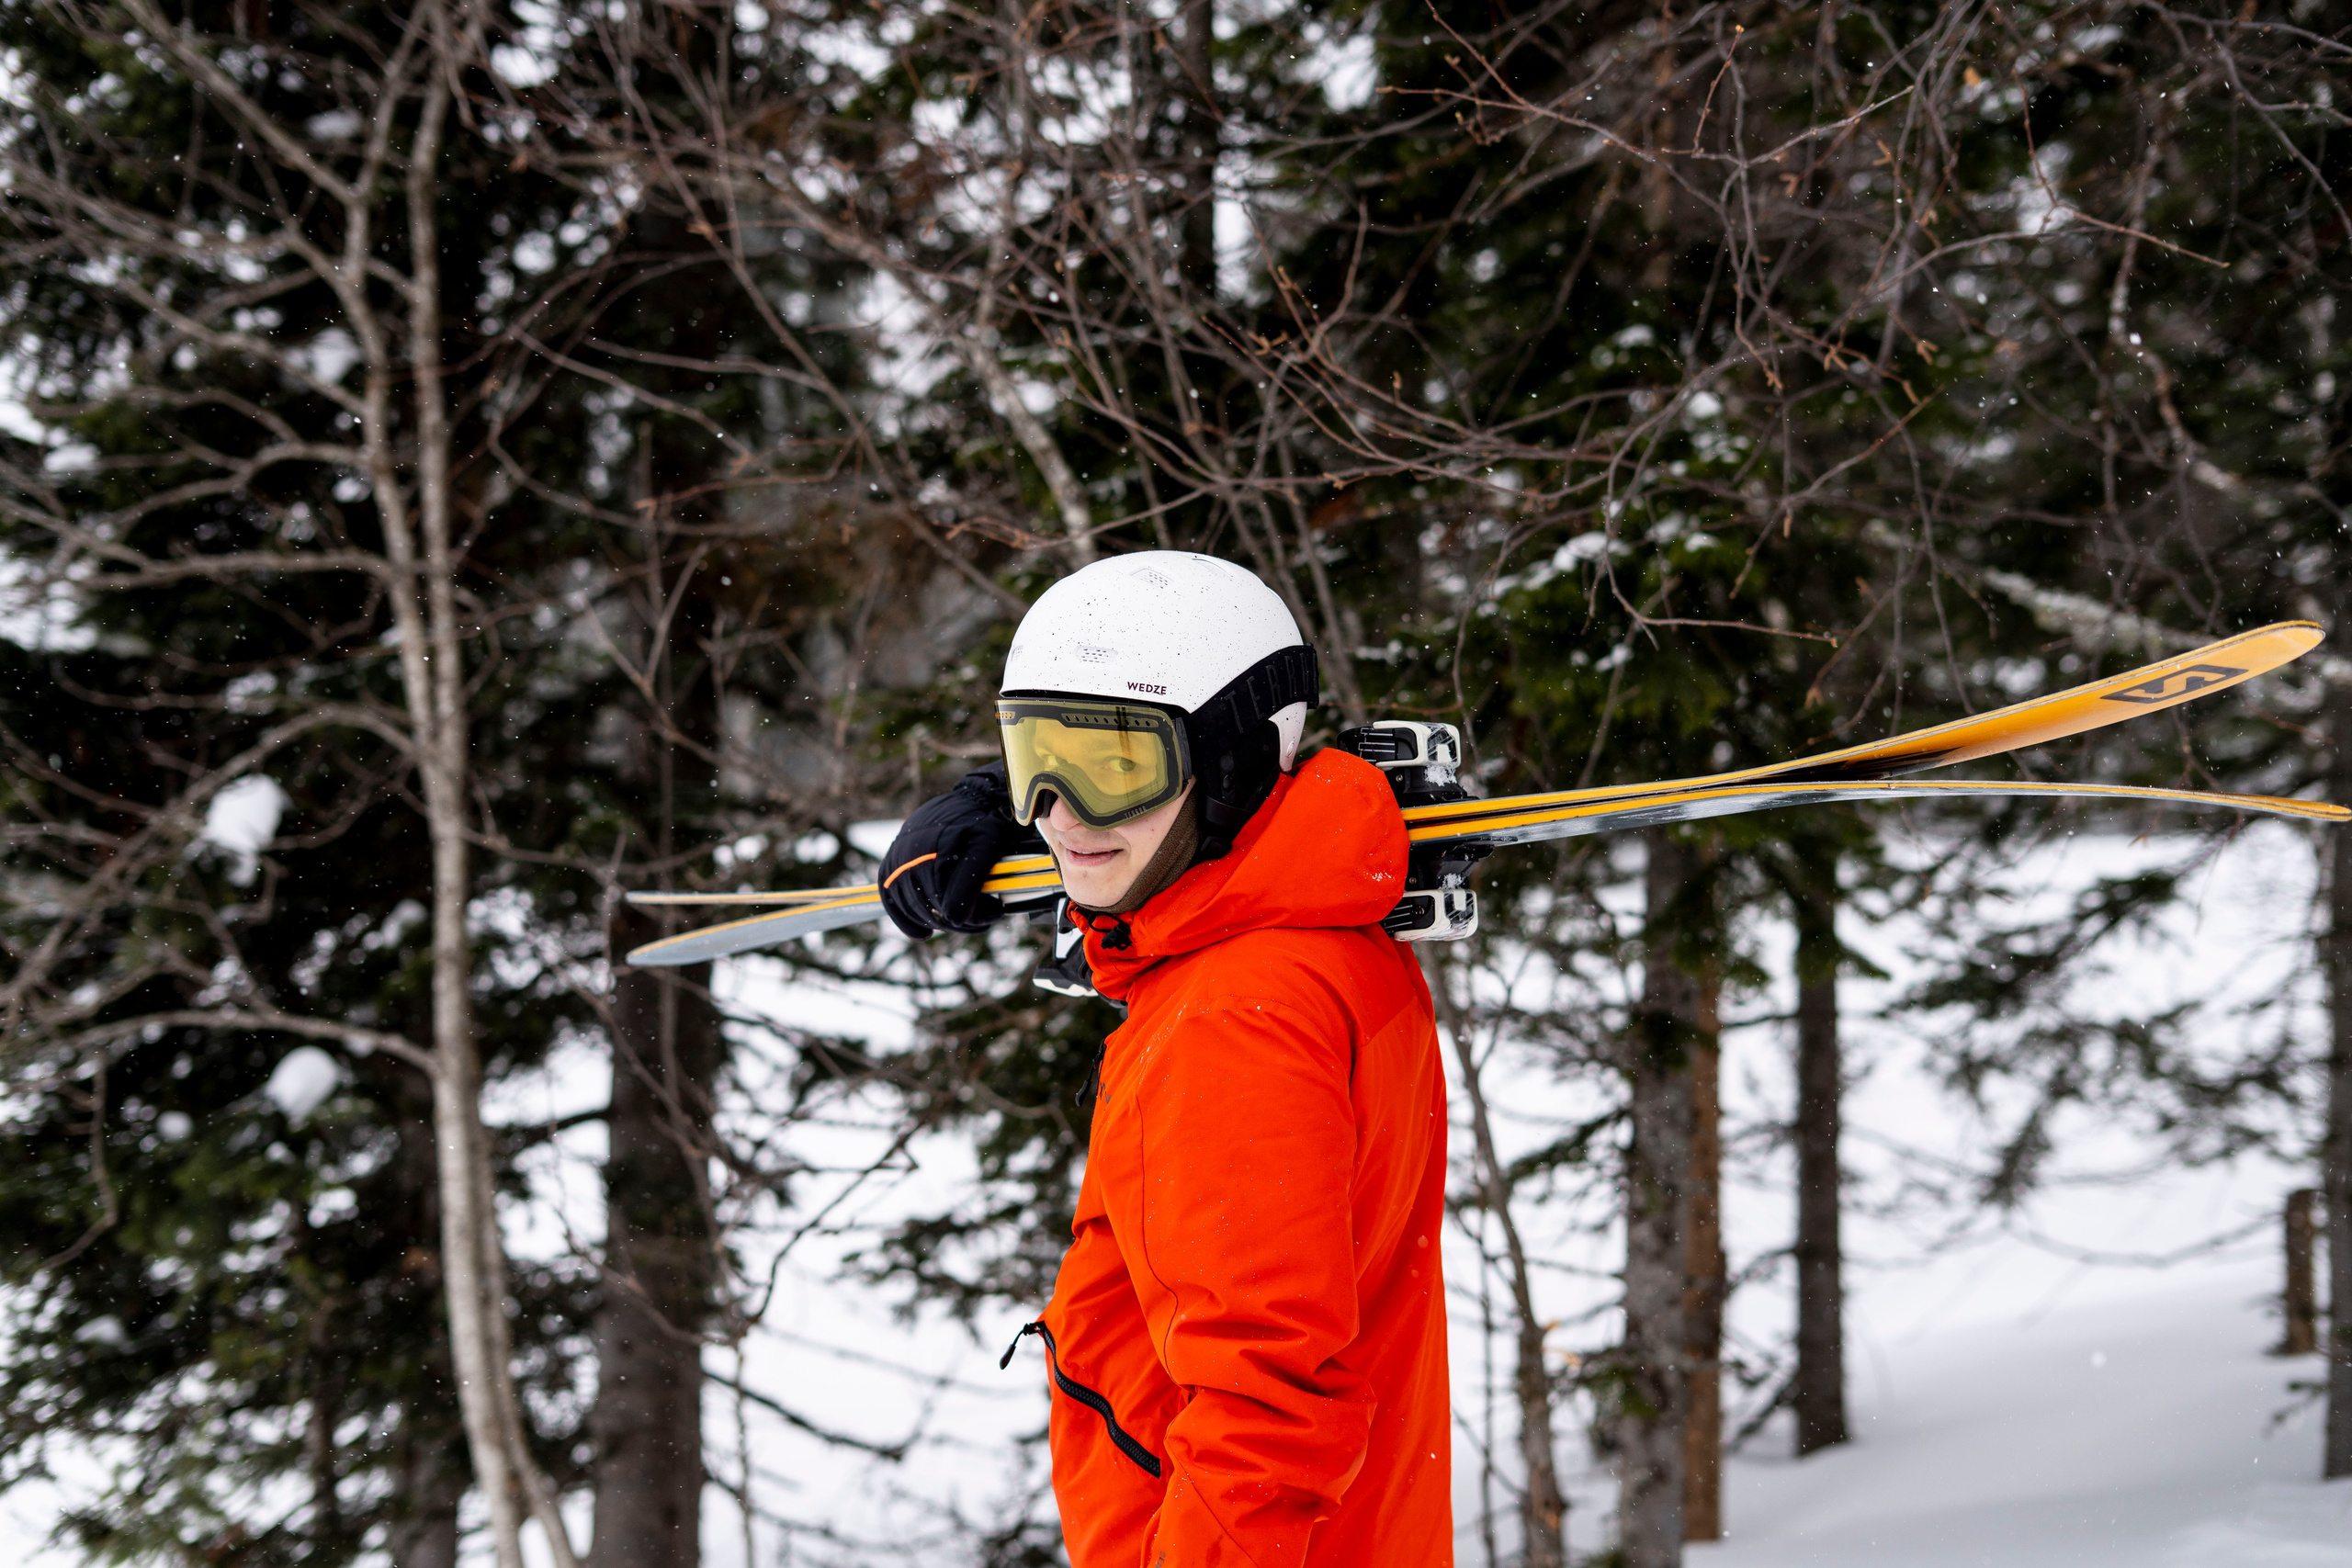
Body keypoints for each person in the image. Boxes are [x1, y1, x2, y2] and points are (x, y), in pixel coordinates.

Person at [879, 552, 1453, 1567]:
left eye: (1112, 766)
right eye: (1034, 758)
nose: (1054, 813)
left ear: (1228, 765)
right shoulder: (1325, 938)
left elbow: (1263, 1416)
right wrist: (995, 804)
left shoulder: (1229, 1016)